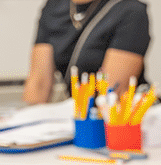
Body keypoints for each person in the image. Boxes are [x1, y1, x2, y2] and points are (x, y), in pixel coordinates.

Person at [22, 0, 150, 104]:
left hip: (113, 116)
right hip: (74, 112)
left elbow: (109, 91)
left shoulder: (130, 10)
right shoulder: (53, 7)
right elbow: (39, 82)